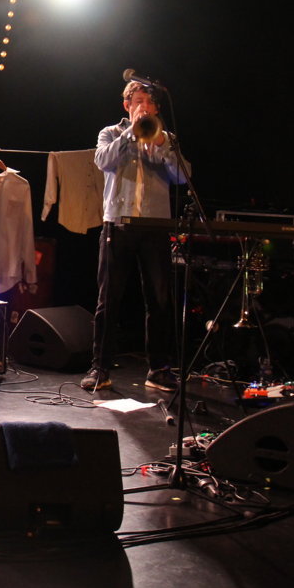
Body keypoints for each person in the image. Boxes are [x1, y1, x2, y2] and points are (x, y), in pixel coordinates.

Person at [81, 80, 188, 392]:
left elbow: (183, 177)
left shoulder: (167, 138)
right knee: (108, 299)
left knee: (159, 300)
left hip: (155, 227)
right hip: (118, 224)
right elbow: (103, 161)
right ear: (127, 105)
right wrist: (131, 133)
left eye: (149, 102)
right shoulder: (111, 133)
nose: (144, 107)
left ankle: (159, 369)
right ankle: (100, 368)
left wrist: (162, 146)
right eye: (138, 101)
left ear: (156, 108)